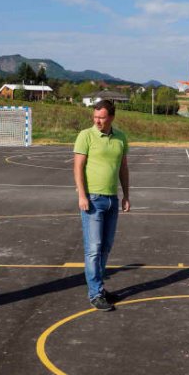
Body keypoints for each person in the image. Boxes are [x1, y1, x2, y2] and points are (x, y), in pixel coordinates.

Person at [73, 100, 130, 311]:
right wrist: (82, 195)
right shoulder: (85, 136)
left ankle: (100, 288)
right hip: (92, 199)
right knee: (93, 249)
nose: (97, 121)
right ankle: (95, 293)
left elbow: (123, 168)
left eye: (102, 117)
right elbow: (78, 167)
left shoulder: (121, 138)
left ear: (112, 118)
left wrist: (126, 195)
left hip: (112, 199)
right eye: (95, 117)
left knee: (105, 248)